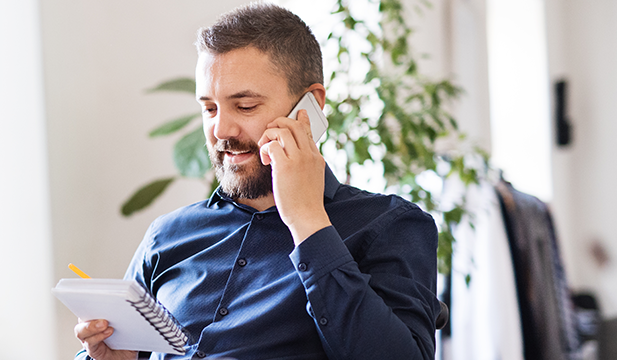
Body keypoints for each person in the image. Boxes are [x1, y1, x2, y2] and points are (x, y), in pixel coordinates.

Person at [74, 3, 440, 359]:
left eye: (245, 106)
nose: (220, 130)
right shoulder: (167, 235)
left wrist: (308, 222)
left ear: (309, 109)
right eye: (209, 108)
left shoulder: (390, 225)